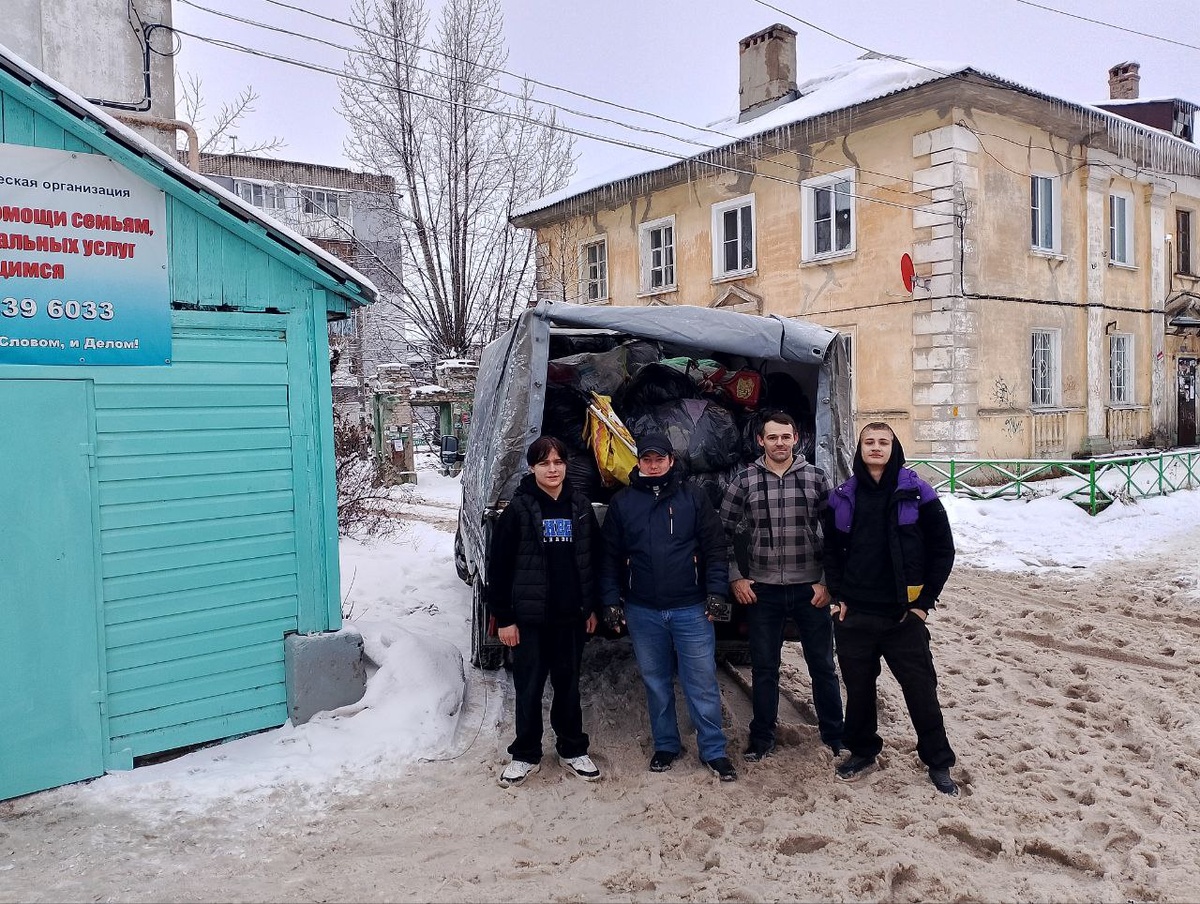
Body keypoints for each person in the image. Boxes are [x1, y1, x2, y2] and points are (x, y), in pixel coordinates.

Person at [822, 422, 959, 795]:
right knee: (860, 690)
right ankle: (863, 751)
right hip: (855, 616)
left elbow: (943, 550)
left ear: (893, 447)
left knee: (920, 690)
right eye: (869, 442)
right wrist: (837, 599)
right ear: (860, 448)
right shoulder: (843, 496)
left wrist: (923, 605)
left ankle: (938, 761)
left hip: (903, 617)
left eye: (883, 442)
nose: (876, 448)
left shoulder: (917, 492)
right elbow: (831, 552)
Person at [600, 432, 738, 782]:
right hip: (642, 610)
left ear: (671, 460)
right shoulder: (623, 502)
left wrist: (717, 593)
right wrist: (610, 600)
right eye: (646, 459)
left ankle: (714, 750)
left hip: (690, 608)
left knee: (701, 682)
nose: (653, 464)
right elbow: (609, 557)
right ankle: (666, 744)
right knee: (656, 681)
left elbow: (715, 548)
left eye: (659, 458)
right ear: (639, 462)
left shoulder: (693, 497)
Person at [718, 411, 844, 763]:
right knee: (764, 668)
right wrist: (735, 577)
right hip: (764, 591)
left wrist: (826, 582)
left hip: (810, 591)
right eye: (772, 437)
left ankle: (835, 735)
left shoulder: (817, 479)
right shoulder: (744, 481)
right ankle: (762, 738)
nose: (779, 443)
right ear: (760, 440)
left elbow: (835, 535)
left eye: (785, 437)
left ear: (796, 438)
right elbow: (720, 534)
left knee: (822, 666)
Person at [487, 436, 604, 788]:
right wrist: (504, 618)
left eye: (557, 462)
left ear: (565, 466)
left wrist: (591, 608)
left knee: (568, 686)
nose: (552, 469)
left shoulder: (580, 506)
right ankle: (525, 754)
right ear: (533, 468)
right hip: (530, 620)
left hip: (570, 617)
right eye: (544, 463)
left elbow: (593, 562)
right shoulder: (519, 511)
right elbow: (499, 568)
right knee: (529, 686)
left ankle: (572, 748)